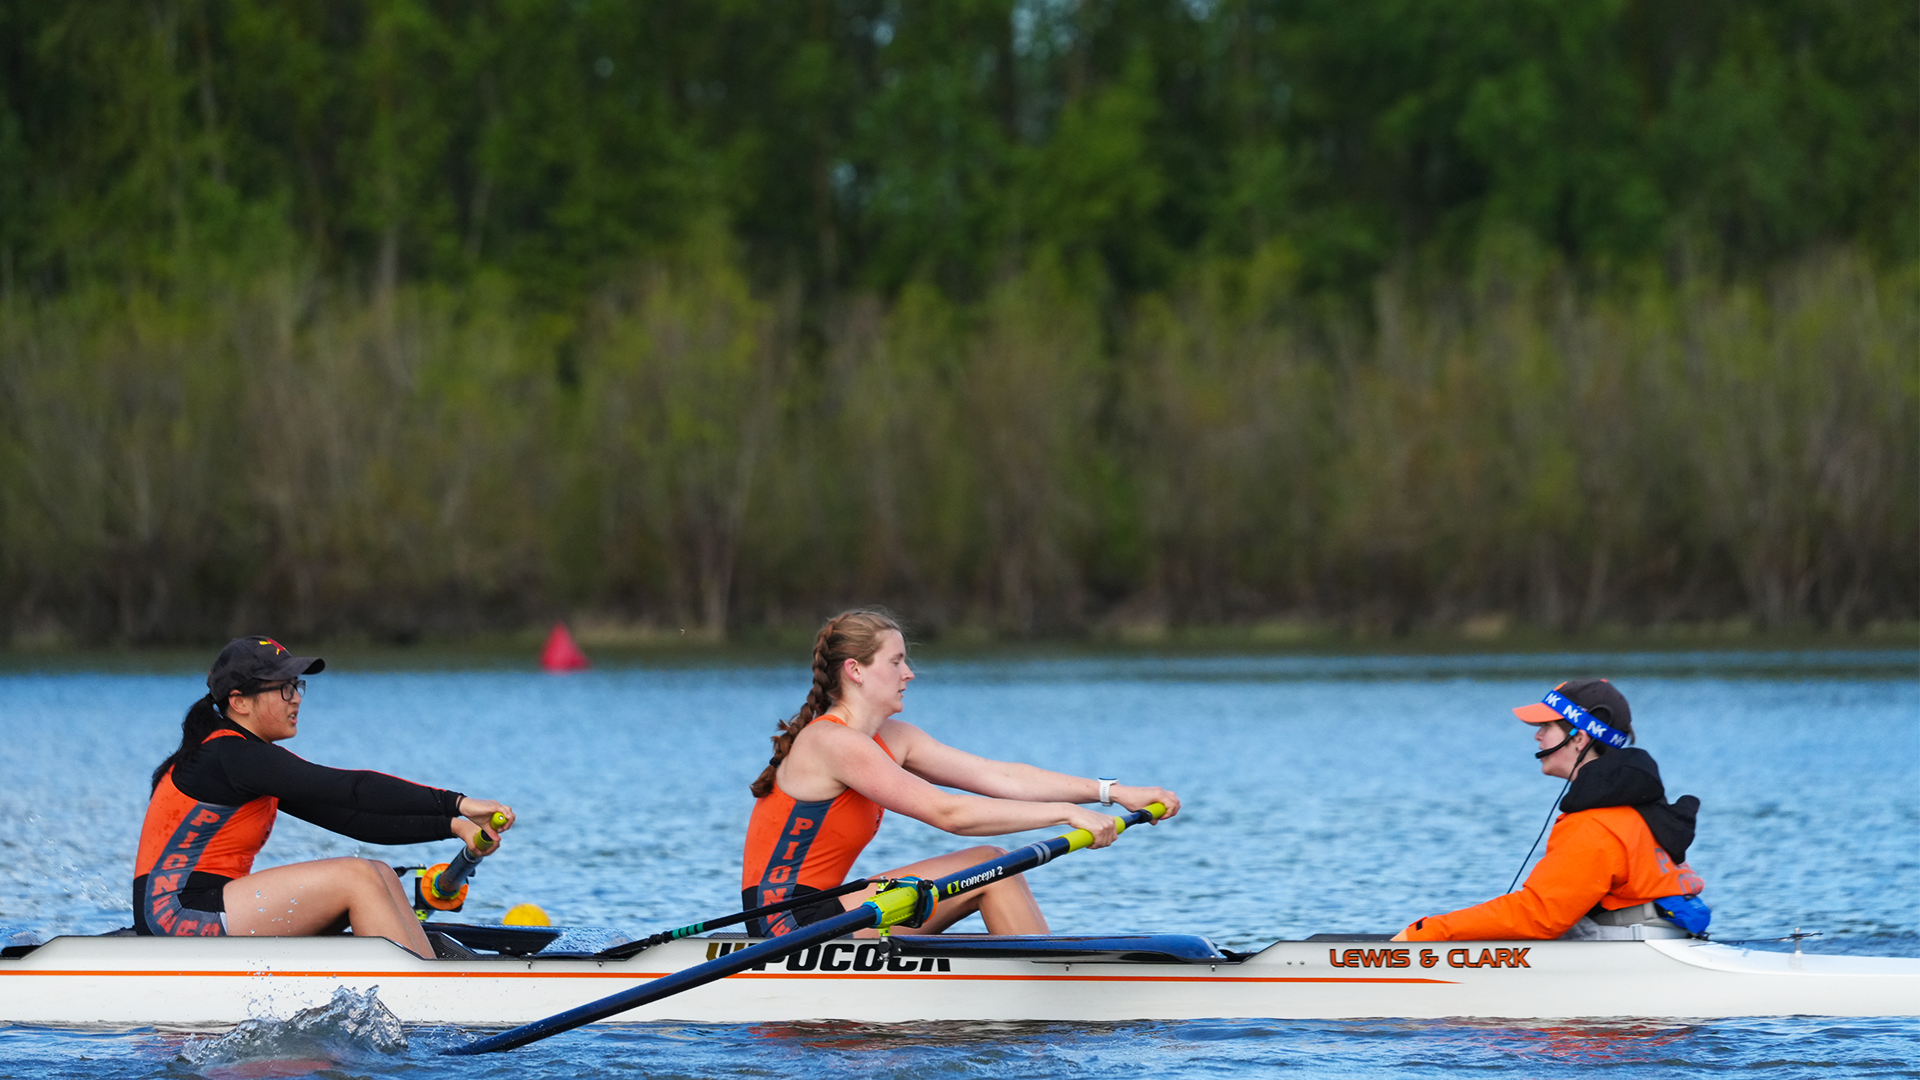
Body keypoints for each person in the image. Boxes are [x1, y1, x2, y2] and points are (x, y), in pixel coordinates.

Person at [741, 609, 1181, 937]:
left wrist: (1112, 792)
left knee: (992, 866)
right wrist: (1066, 814)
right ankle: (1052, 1006)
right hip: (786, 924)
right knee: (992, 865)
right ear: (855, 671)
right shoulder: (831, 742)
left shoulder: (894, 738)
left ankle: (1044, 994)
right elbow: (948, 814)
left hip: (832, 910)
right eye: (895, 662)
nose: (909, 674)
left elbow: (999, 777)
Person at [134, 636, 515, 958]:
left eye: (297, 686)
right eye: (284, 688)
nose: (296, 699)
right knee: (357, 877)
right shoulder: (229, 755)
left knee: (380, 873)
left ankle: (433, 982)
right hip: (175, 916)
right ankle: (427, 999)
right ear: (240, 702)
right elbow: (352, 789)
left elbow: (352, 818)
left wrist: (452, 826)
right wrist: (459, 802)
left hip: (210, 906)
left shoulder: (245, 761)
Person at [1394, 679, 1707, 942]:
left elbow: (1540, 915)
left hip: (1635, 957)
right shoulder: (1639, 809)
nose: (1537, 735)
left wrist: (1431, 932)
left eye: (1547, 725)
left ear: (1579, 738)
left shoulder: (1595, 823)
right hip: (1660, 945)